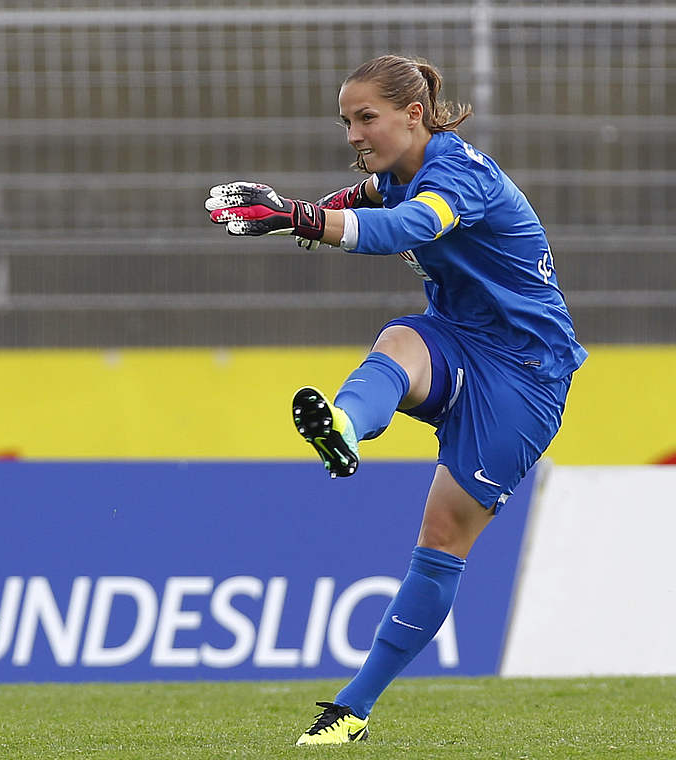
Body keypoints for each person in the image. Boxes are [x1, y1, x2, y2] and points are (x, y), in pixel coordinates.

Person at [204, 54, 586, 745]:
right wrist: (296, 215)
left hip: (528, 378)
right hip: (459, 338)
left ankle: (352, 709)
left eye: (365, 117)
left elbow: (409, 229)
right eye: (346, 120)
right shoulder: (394, 172)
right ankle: (345, 428)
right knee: (398, 344)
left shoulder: (458, 174)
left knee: (443, 540)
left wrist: (297, 216)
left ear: (413, 116)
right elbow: (366, 203)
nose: (353, 133)